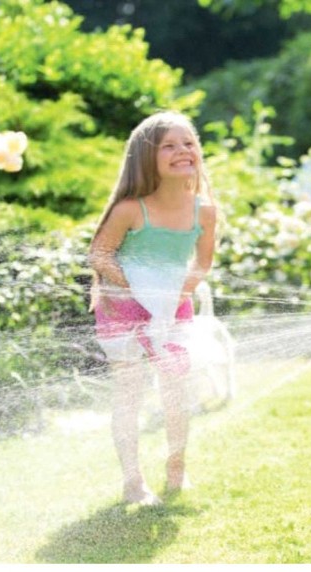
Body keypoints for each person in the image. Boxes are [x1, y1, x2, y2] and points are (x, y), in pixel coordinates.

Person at [89, 111, 217, 506]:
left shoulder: (204, 211)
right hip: (122, 309)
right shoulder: (131, 209)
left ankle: (176, 470)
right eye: (169, 146)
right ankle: (133, 482)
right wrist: (138, 290)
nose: (183, 150)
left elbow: (202, 264)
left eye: (189, 143)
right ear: (146, 158)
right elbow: (99, 255)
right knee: (130, 393)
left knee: (176, 392)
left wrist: (177, 295)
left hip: (173, 308)